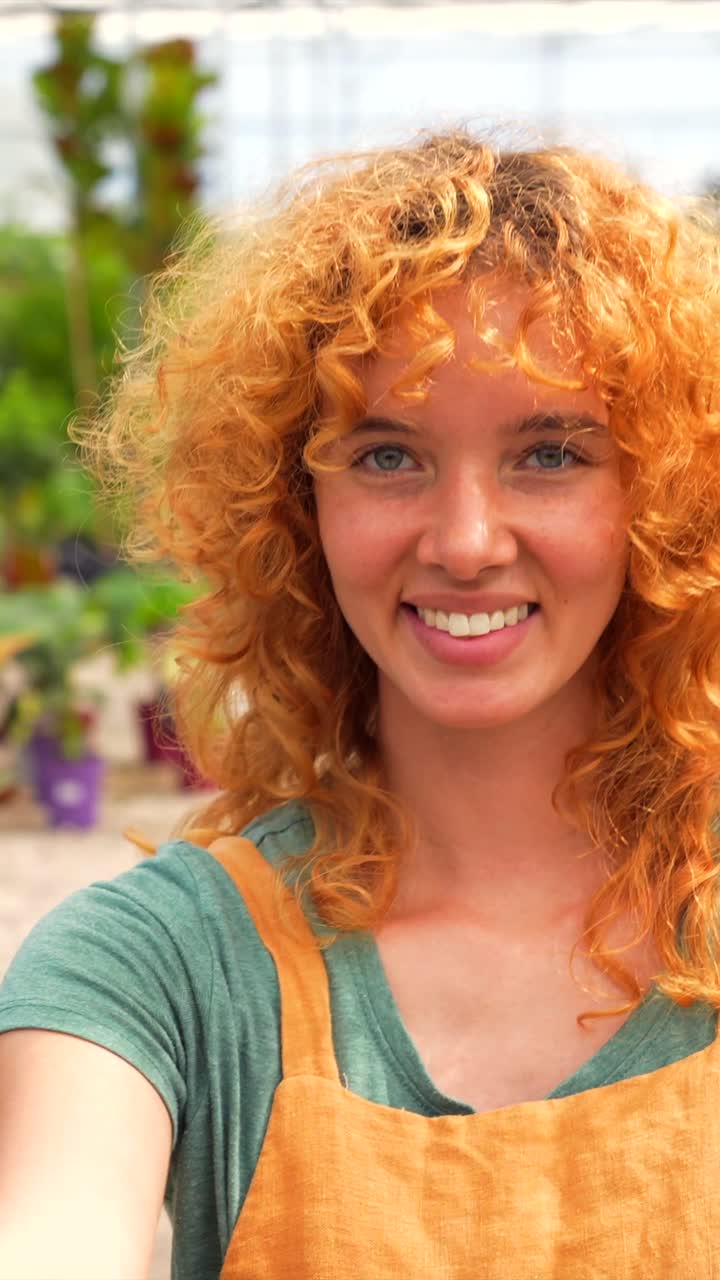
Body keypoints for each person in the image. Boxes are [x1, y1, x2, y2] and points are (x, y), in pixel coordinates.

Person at [2, 128, 720, 1279]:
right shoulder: (156, 964)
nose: (468, 541)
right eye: (389, 456)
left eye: (550, 452)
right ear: (296, 507)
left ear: (667, 499)